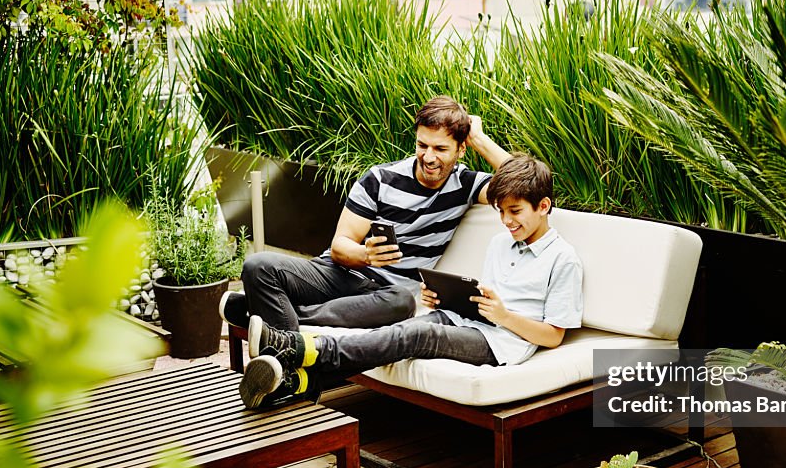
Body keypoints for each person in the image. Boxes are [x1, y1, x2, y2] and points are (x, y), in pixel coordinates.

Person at [236, 154, 584, 410]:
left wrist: (505, 316)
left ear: (543, 206)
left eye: (515, 212)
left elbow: (553, 337)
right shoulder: (499, 243)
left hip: (502, 343)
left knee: (416, 334)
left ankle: (298, 347)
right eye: (501, 212)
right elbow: (483, 302)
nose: (506, 221)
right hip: (467, 321)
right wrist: (446, 299)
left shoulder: (562, 259)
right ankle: (299, 380)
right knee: (396, 334)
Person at [219, 96, 510, 334]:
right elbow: (340, 247)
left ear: (461, 149)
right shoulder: (380, 179)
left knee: (401, 301)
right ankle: (281, 333)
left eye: (441, 149)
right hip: (341, 275)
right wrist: (366, 255)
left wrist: (480, 140)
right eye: (422, 145)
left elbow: (527, 186)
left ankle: (274, 317)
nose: (429, 157)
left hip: (386, 294)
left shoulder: (467, 184)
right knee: (258, 265)